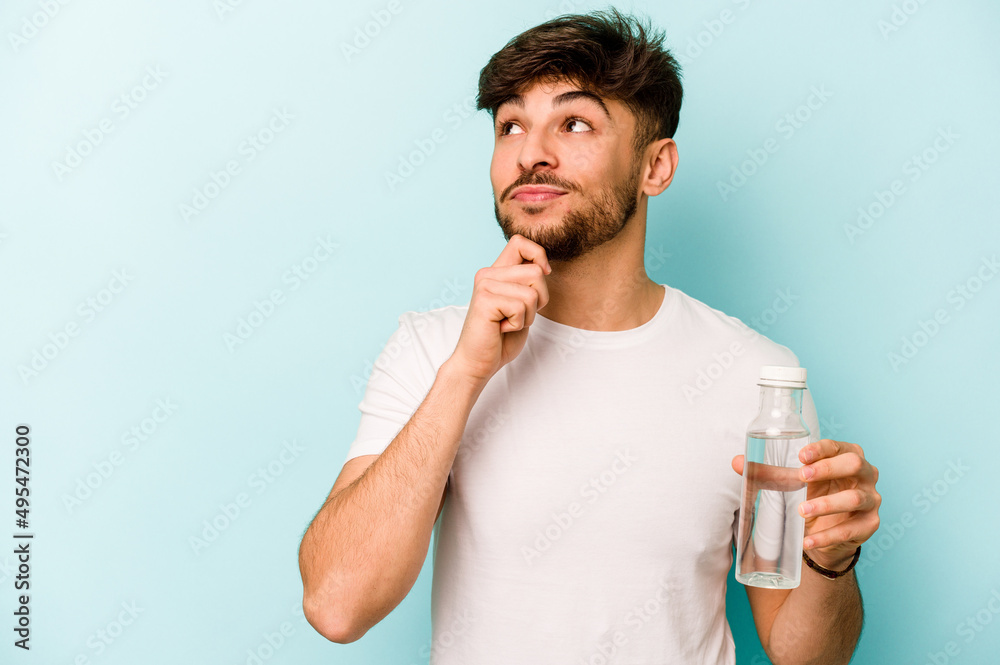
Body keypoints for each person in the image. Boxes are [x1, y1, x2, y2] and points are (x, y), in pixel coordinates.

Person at [298, 8, 882, 664]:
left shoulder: (757, 379)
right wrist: (465, 373)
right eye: (510, 124)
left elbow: (809, 656)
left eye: (574, 123)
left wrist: (831, 560)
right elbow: (336, 604)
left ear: (655, 167)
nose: (530, 152)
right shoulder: (433, 350)